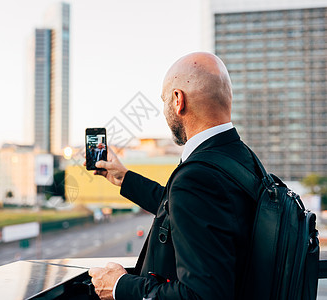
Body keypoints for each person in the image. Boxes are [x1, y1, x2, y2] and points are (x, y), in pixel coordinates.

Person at [87, 52, 259, 299]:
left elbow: (200, 295)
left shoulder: (198, 177)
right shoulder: (241, 158)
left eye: (164, 100)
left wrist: (119, 286)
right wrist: (124, 178)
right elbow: (189, 211)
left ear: (178, 100)